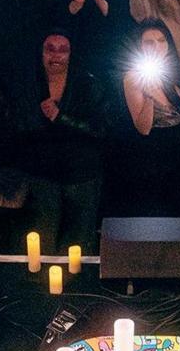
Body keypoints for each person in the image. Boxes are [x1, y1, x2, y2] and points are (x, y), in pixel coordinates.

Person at [8, 28, 107, 251]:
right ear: (41, 53)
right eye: (50, 49)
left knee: (78, 240)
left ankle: (76, 282)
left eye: (63, 50)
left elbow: (100, 128)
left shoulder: (87, 83)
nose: (56, 55)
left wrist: (61, 118)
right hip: (42, 172)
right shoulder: (27, 83)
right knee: (42, 235)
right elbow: (16, 124)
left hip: (81, 172)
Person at [114, 23, 180, 215]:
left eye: (161, 41)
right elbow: (143, 128)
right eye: (149, 42)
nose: (156, 46)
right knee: (159, 210)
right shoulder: (133, 77)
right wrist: (148, 95)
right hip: (155, 153)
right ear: (140, 46)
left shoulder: (176, 70)